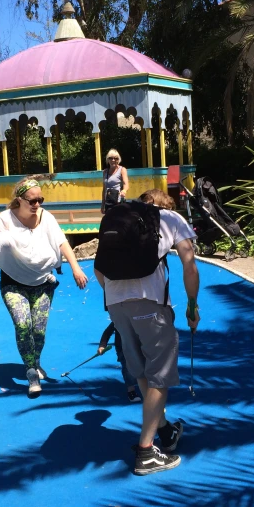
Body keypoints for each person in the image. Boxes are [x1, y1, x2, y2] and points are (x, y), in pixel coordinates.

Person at [94, 189, 200, 475]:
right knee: (160, 374)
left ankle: (163, 429)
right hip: (150, 304)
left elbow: (98, 268)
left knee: (140, 369)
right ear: (165, 205)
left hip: (116, 304)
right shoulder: (171, 218)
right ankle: (146, 451)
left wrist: (117, 297)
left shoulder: (118, 217)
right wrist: (192, 304)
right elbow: (189, 264)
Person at [0, 177, 88, 398]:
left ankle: (35, 361)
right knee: (23, 325)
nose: (36, 205)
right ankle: (31, 372)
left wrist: (76, 268)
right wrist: (2, 245)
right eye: (31, 201)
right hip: (13, 283)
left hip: (43, 282)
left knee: (38, 332)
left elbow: (62, 242)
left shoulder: (47, 217)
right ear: (19, 199)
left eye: (40, 200)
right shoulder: (5, 218)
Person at [97, 322, 142, 403]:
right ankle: (131, 390)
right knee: (127, 367)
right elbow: (107, 333)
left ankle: (145, 386)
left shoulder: (139, 318)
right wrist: (102, 346)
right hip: (122, 348)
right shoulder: (118, 319)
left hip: (138, 346)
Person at [101, 149, 129, 213]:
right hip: (108, 202)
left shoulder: (122, 170)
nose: (113, 160)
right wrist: (103, 204)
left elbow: (126, 184)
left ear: (118, 160)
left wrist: (124, 191)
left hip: (118, 202)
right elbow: (104, 189)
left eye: (115, 158)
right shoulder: (105, 172)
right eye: (110, 158)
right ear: (108, 160)